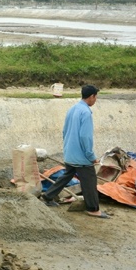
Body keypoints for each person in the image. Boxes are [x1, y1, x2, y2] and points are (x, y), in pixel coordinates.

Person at [40, 84, 110, 218]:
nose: (95, 100)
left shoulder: (72, 109)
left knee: (67, 175)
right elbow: (85, 137)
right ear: (91, 96)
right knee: (89, 180)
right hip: (81, 156)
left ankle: (48, 196)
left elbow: (64, 131)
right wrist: (91, 156)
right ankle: (93, 209)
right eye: (96, 97)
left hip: (70, 153)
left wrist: (68, 147)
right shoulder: (86, 113)